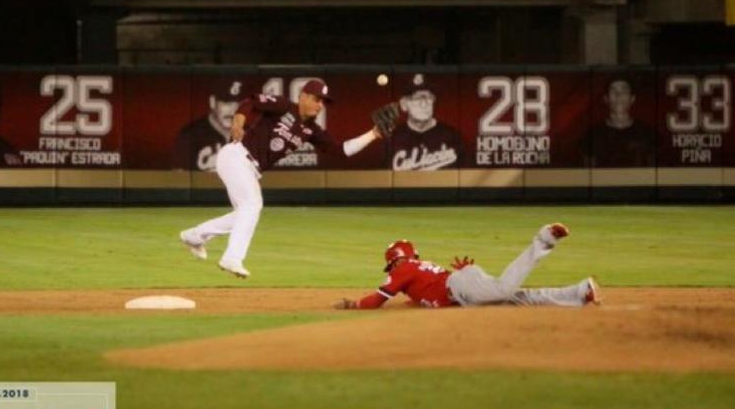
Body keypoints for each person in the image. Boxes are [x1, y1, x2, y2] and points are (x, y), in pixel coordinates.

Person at [179, 79, 387, 278]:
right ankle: (232, 258)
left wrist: (373, 134)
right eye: (316, 99)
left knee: (244, 215)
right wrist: (237, 123)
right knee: (252, 206)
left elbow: (342, 151)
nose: (320, 105)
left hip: (249, 168)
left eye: (322, 101)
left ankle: (194, 236)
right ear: (303, 96)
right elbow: (250, 101)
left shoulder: (311, 131)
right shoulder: (283, 106)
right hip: (236, 155)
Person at [335, 223, 600, 309]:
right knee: (519, 298)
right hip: (462, 287)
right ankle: (579, 292)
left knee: (506, 289)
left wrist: (354, 304)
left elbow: (377, 300)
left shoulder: (403, 269)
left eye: (391, 265)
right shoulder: (413, 272)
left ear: (395, 260)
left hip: (461, 285)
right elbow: (422, 295)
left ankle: (543, 239)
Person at [389, 74, 463, 171]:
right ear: (404, 104)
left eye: (429, 98)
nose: (424, 104)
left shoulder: (452, 136)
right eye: (417, 98)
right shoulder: (393, 138)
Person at [173, 80, 246, 171]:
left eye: (238, 104)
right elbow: (177, 180)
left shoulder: (254, 134)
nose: (233, 111)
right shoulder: (190, 136)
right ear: (212, 102)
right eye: (227, 103)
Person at [585, 79, 655, 167]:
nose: (618, 95)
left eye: (624, 91)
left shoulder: (647, 133)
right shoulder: (593, 134)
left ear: (632, 99)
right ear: (606, 99)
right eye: (613, 91)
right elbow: (587, 169)